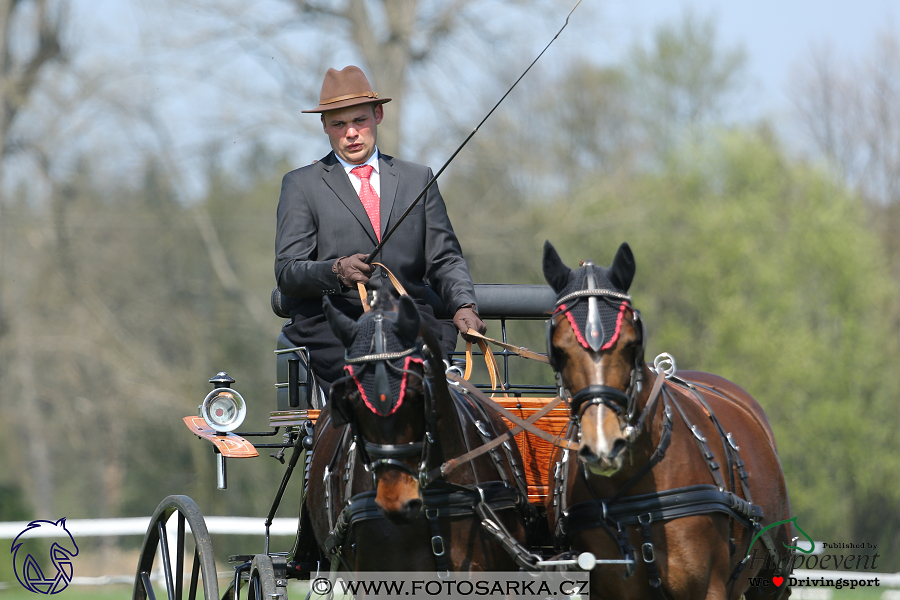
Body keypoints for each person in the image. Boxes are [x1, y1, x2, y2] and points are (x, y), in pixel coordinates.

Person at [274, 65, 486, 393]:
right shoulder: (301, 185)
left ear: (378, 115)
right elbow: (288, 272)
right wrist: (336, 272)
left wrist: (464, 306)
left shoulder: (418, 178)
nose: (351, 133)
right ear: (325, 127)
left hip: (410, 324)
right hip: (337, 330)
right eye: (339, 124)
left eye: (359, 120)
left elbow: (445, 258)